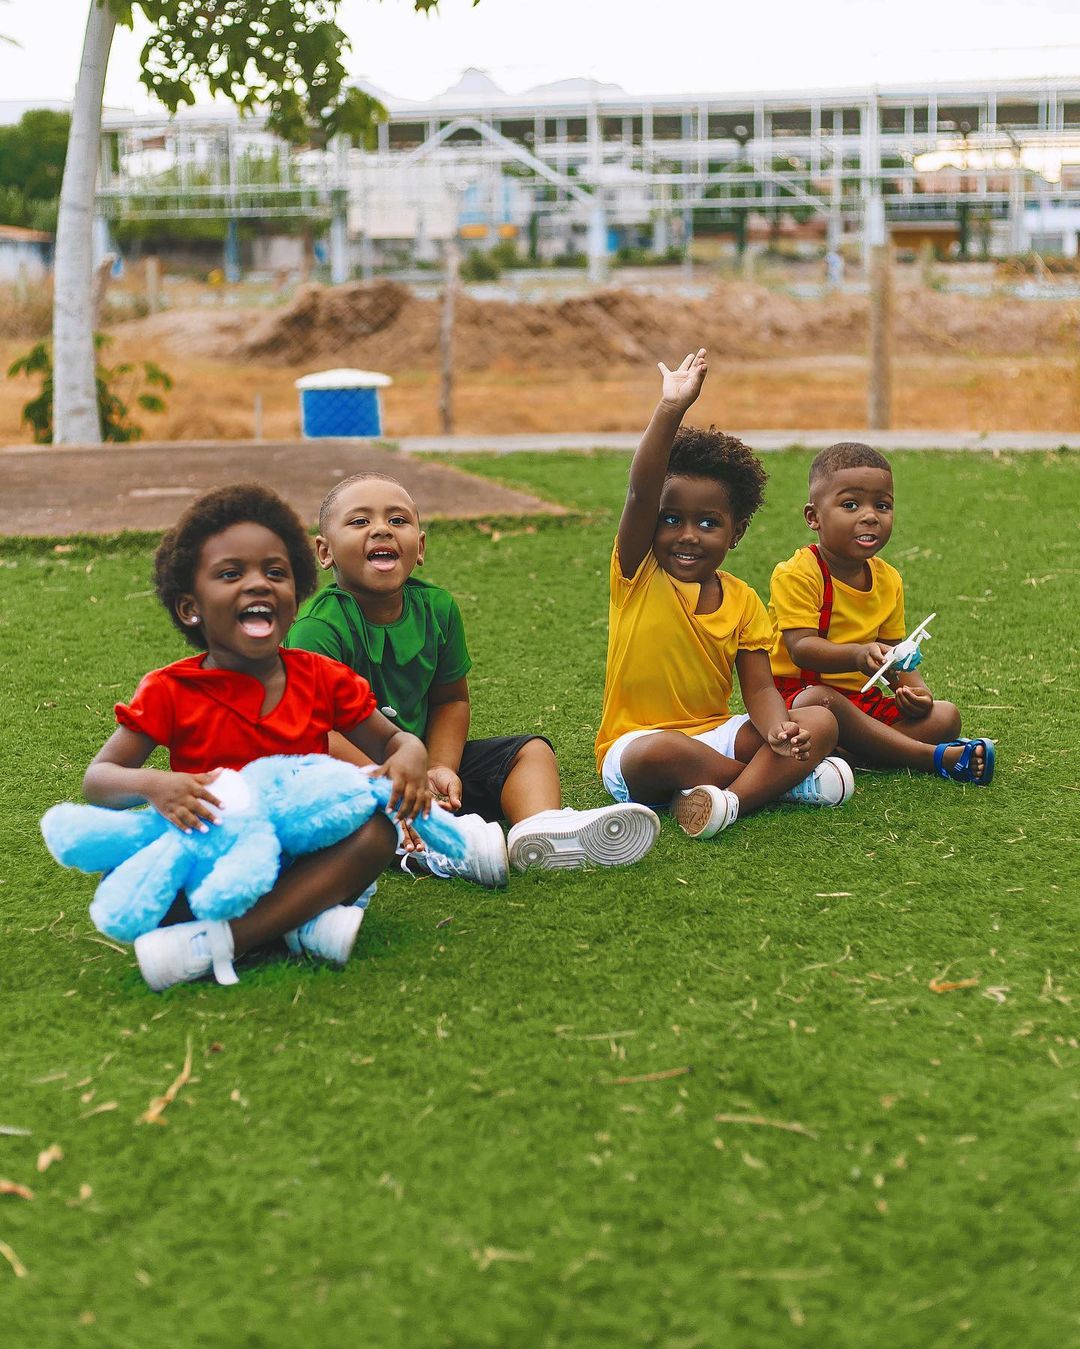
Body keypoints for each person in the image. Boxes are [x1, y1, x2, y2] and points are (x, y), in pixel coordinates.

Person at [83, 484, 431, 992]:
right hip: (218, 858)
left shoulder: (321, 677)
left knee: (376, 833)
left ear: (295, 594)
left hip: (305, 855)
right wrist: (157, 785)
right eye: (230, 574)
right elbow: (99, 780)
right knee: (122, 876)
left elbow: (395, 743)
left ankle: (221, 942)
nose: (258, 585)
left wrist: (413, 755)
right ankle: (296, 926)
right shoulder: (169, 689)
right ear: (189, 607)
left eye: (275, 572)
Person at [284, 472, 660, 887]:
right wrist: (392, 783)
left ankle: (540, 831)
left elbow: (450, 701)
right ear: (325, 552)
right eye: (359, 522)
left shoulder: (438, 609)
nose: (380, 530)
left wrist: (441, 766)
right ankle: (431, 850)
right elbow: (318, 731)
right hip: (347, 771)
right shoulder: (318, 627)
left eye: (397, 521)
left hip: (419, 763)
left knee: (529, 753)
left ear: (420, 546)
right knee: (341, 808)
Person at [595, 349, 853, 839]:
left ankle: (726, 803)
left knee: (819, 720)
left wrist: (779, 729)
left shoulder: (742, 600)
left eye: (708, 523)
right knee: (664, 752)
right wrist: (671, 408)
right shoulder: (638, 571)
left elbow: (758, 688)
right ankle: (783, 786)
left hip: (716, 735)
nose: (688, 534)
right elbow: (640, 494)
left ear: (735, 534)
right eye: (671, 519)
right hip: (634, 749)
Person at [767, 441, 994, 784]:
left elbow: (895, 657)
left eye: (883, 505)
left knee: (944, 716)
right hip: (799, 700)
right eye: (850, 504)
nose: (870, 515)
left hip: (861, 701)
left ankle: (852, 754)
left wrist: (916, 693)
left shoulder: (888, 579)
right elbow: (802, 649)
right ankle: (932, 759)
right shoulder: (798, 573)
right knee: (823, 703)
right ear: (814, 517)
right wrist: (857, 655)